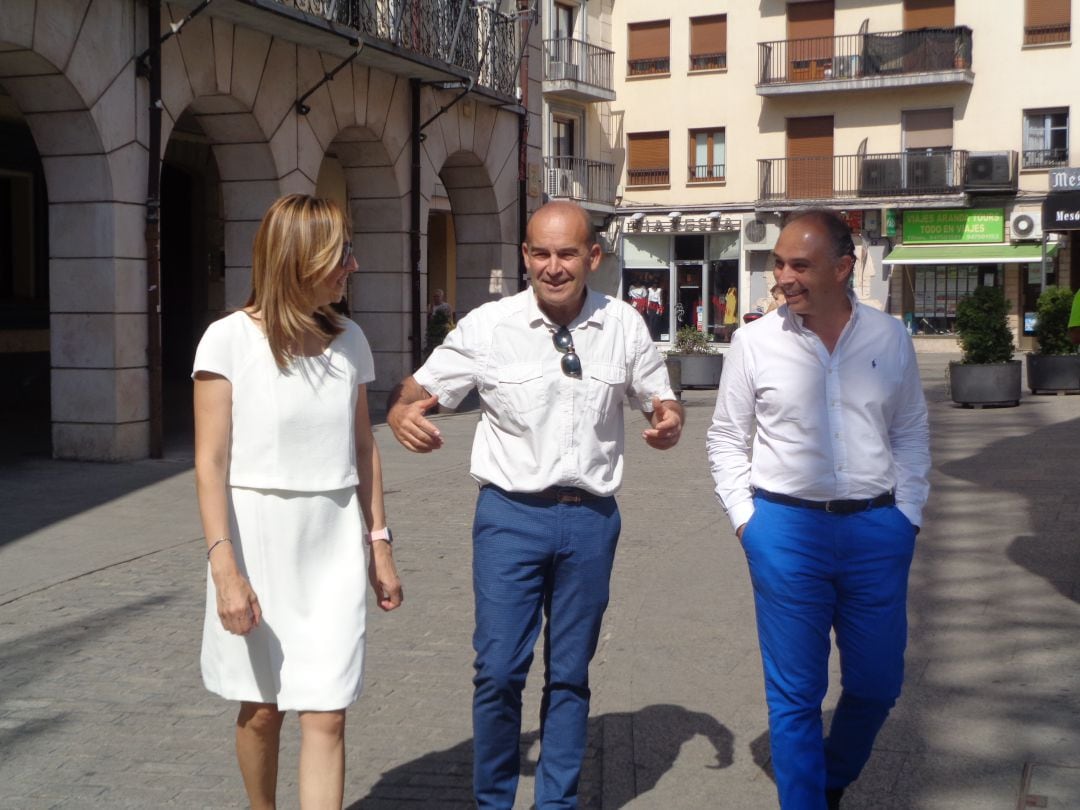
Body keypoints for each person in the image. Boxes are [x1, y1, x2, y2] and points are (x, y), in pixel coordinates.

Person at [386, 200, 684, 809]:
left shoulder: (624, 325)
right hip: (509, 519)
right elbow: (417, 389)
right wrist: (400, 413)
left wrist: (669, 420)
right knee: (497, 671)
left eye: (567, 253)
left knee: (570, 675)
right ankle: (493, 801)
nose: (553, 267)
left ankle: (557, 802)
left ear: (592, 258)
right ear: (524, 256)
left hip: (592, 521)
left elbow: (661, 398)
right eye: (541, 253)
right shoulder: (488, 326)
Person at [706, 208, 930, 810]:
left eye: (799, 264)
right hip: (785, 529)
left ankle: (829, 780)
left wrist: (907, 513)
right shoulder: (753, 343)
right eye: (779, 263)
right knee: (796, 695)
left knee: (878, 684)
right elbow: (727, 437)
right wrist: (746, 520)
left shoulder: (889, 338)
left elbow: (910, 430)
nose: (783, 277)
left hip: (877, 529)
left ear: (842, 267)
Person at [193, 194, 403, 810]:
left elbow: (364, 449)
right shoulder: (226, 340)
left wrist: (380, 545)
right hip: (254, 541)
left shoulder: (350, 341)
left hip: (332, 544)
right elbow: (210, 463)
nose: (354, 267)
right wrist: (224, 568)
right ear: (300, 259)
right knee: (260, 711)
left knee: (327, 715)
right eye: (341, 255)